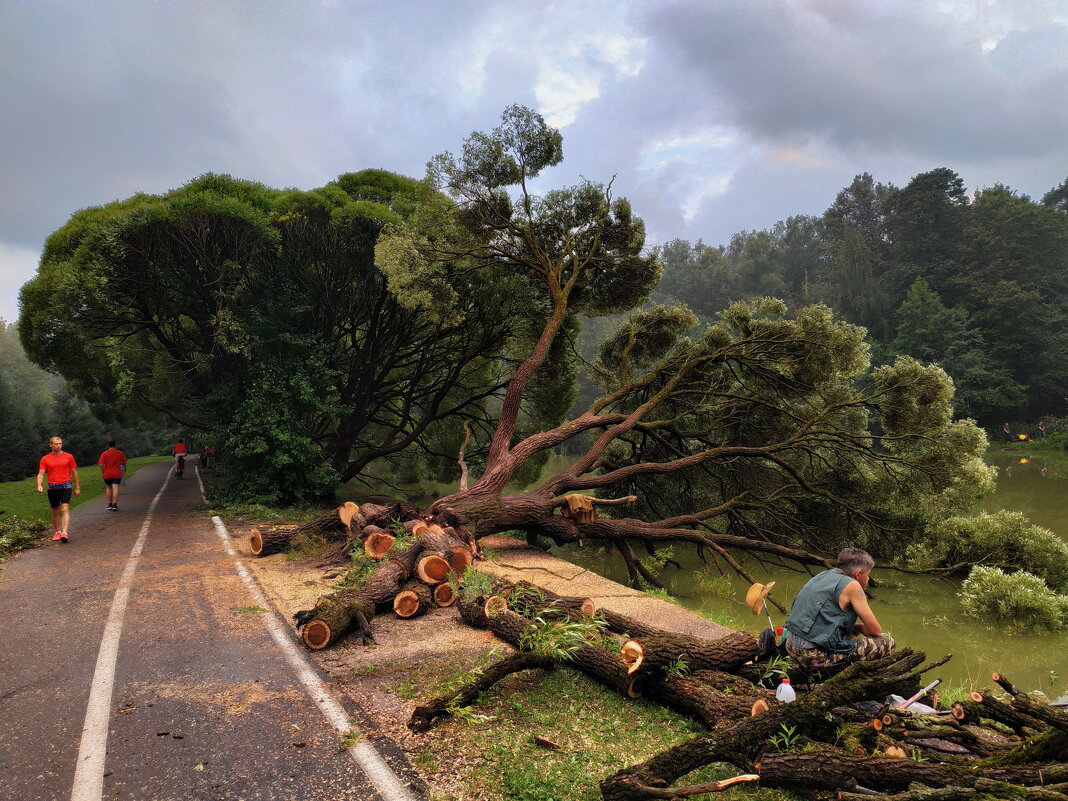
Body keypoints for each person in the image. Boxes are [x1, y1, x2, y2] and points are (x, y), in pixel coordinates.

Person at [783, 547, 895, 670]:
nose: (868, 579)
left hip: (790, 648)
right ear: (858, 574)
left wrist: (851, 629)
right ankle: (865, 677)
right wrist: (859, 627)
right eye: (867, 575)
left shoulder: (824, 575)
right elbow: (876, 631)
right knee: (887, 643)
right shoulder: (852, 585)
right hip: (812, 657)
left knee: (849, 638)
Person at [36, 436, 80, 543]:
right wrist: (39, 485)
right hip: (52, 487)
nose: (58, 445)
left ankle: (65, 533)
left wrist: (77, 487)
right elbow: (41, 474)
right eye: (56, 444)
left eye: (60, 443)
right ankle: (57, 532)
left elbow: (74, 472)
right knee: (55, 510)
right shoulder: (45, 459)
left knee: (64, 508)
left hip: (66, 486)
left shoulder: (69, 457)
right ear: (50, 445)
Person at [98, 440, 128, 511]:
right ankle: (115, 505)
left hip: (107, 473)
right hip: (117, 473)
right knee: (116, 488)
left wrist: (103, 472)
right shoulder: (119, 453)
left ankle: (109, 504)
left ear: (108, 445)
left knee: (108, 488)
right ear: (115, 445)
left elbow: (101, 464)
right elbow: (124, 462)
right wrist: (124, 468)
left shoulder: (104, 454)